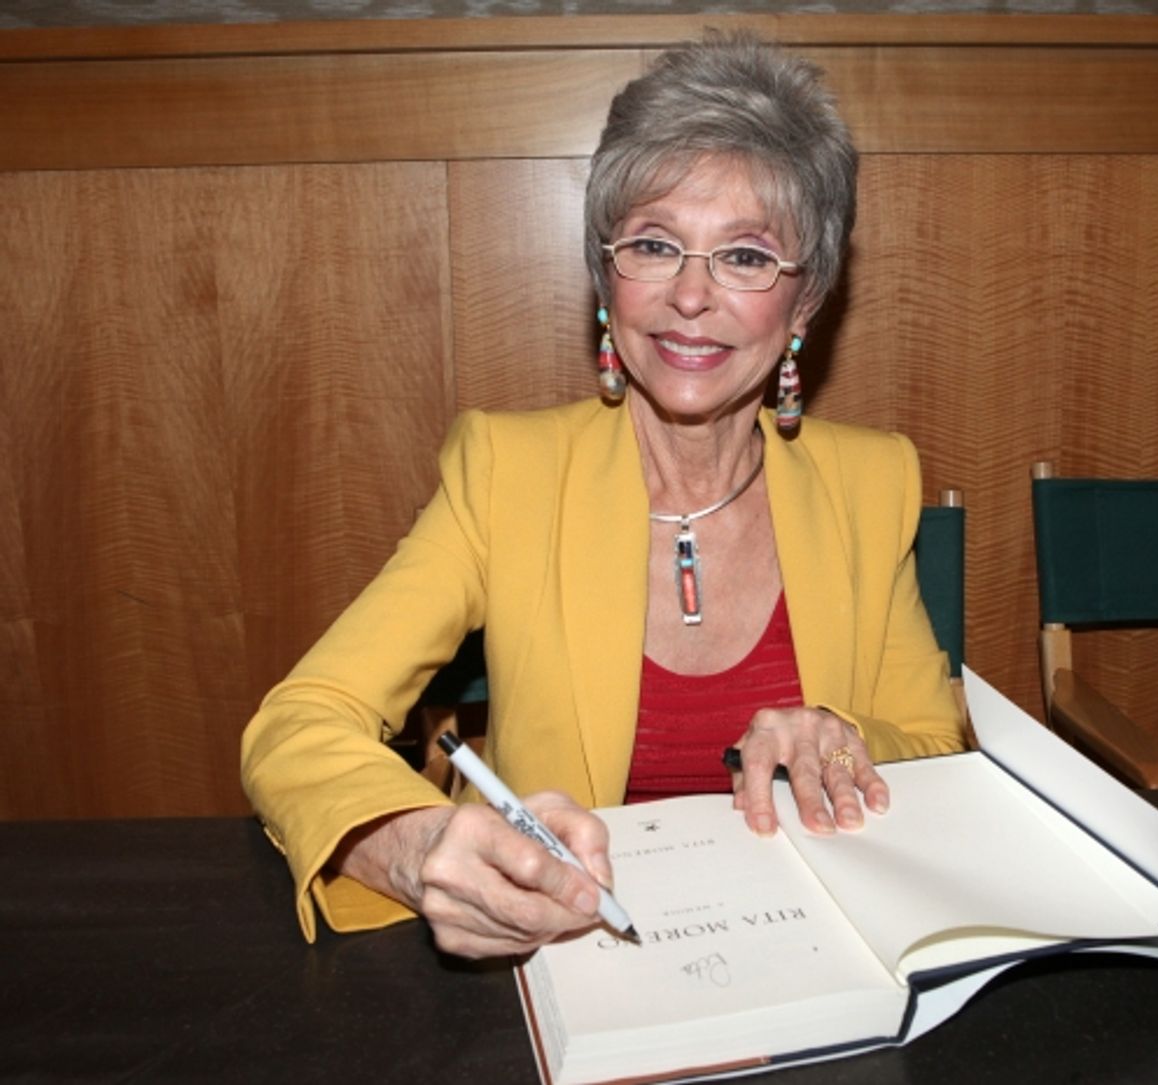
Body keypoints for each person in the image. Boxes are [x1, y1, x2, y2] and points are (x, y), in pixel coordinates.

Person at [241, 32, 965, 961]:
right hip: (564, 967)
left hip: (817, 955)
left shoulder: (874, 480)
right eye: (656, 245)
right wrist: (422, 851)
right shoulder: (506, 472)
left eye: (746, 257)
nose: (690, 297)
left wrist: (843, 739)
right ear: (606, 273)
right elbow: (298, 723)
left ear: (806, 301)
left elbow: (940, 747)